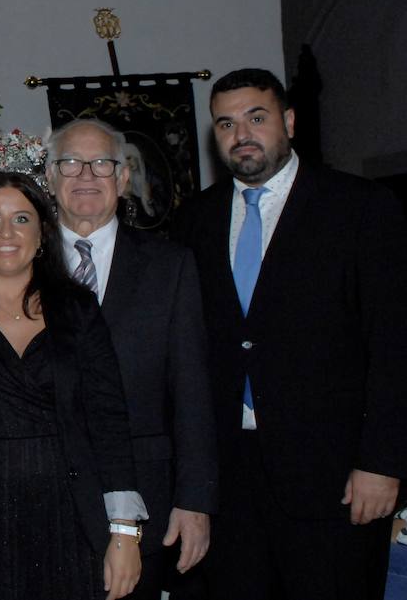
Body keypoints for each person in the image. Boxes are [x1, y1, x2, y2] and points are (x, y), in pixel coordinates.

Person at [175, 68, 407, 600]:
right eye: (226, 124)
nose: (242, 135)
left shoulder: (360, 208)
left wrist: (382, 461)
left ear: (290, 121)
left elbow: (394, 344)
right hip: (231, 482)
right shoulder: (195, 219)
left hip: (336, 478)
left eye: (257, 118)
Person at [0, 171, 143, 600]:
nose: (5, 232)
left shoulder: (78, 310)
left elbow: (108, 419)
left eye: (21, 219)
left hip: (67, 508)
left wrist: (125, 529)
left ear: (42, 235)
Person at [47, 119, 218, 600]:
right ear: (50, 178)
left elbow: (192, 389)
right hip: (43, 492)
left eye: (102, 163)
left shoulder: (170, 266)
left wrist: (195, 500)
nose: (86, 175)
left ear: (123, 179)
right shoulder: (18, 262)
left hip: (146, 495)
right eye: (70, 163)